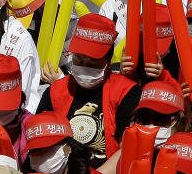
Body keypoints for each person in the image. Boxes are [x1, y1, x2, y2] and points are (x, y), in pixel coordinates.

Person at [36, 13, 139, 165]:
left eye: (93, 63)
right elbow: (39, 143)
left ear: (108, 60)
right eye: (79, 60)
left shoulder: (126, 92)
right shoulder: (55, 91)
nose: (85, 67)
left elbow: (127, 149)